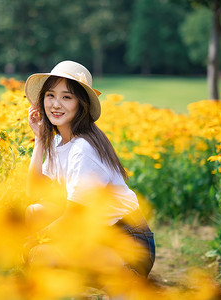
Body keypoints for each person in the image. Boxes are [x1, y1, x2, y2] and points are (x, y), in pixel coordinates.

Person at [24, 60, 155, 278]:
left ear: (81, 104)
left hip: (129, 244)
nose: (56, 104)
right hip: (96, 235)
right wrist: (39, 139)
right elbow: (34, 193)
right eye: (50, 95)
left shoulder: (83, 149)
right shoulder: (59, 143)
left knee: (40, 254)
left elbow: (73, 218)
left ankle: (125, 281)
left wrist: (33, 240)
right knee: (35, 212)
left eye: (67, 97)